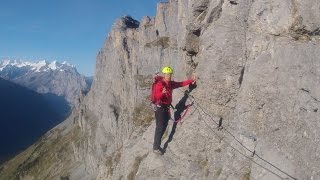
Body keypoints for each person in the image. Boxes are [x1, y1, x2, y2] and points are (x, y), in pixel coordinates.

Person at [152, 66, 196, 155]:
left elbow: (181, 84)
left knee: (164, 126)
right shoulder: (160, 84)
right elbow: (156, 97)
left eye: (170, 74)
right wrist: (162, 93)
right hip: (160, 108)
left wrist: (191, 80)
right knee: (160, 127)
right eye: (167, 74)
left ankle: (158, 145)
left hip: (166, 108)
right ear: (164, 74)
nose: (169, 75)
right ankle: (156, 147)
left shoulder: (170, 84)